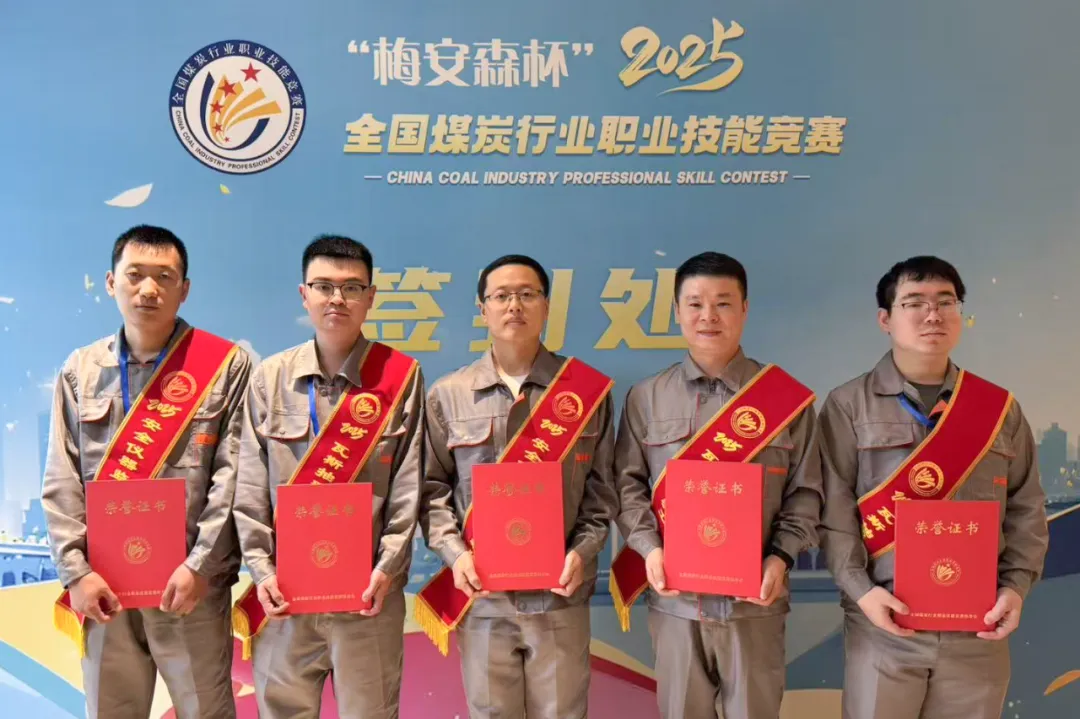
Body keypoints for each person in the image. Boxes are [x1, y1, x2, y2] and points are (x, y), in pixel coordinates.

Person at [818, 255, 1049, 719]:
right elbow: (832, 510)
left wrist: (1015, 588)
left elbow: (1026, 507)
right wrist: (862, 592)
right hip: (884, 623)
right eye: (914, 303)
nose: (933, 315)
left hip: (977, 628)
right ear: (885, 319)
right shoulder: (847, 405)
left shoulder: (997, 409)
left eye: (946, 302)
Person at [43, 224, 252, 719]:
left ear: (185, 288)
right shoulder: (80, 370)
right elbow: (62, 478)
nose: (149, 289)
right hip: (105, 587)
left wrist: (200, 566)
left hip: (191, 586)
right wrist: (77, 573)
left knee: (205, 711)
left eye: (165, 277)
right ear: (111, 282)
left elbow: (235, 476)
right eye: (135, 275)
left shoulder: (225, 366)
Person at [610, 251, 823, 719]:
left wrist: (780, 558)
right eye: (695, 304)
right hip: (675, 604)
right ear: (676, 311)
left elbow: (807, 493)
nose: (708, 316)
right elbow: (627, 487)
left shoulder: (786, 400)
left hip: (756, 604)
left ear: (744, 309)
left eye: (723, 303)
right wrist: (649, 549)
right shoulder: (646, 397)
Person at [415, 254, 616, 719]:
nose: (514, 306)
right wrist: (456, 555)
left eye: (527, 294)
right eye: (501, 296)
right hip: (483, 597)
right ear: (482, 308)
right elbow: (431, 491)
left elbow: (603, 493)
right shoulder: (449, 394)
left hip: (560, 596)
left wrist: (581, 552)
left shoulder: (585, 392)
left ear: (547, 306)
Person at [231, 235, 424, 719]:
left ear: (371, 297)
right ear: (304, 294)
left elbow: (408, 485)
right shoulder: (269, 377)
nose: (337, 298)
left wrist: (387, 568)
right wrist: (263, 571)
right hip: (286, 599)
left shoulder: (400, 377)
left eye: (352, 287)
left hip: (368, 597)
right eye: (323, 286)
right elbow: (249, 486)